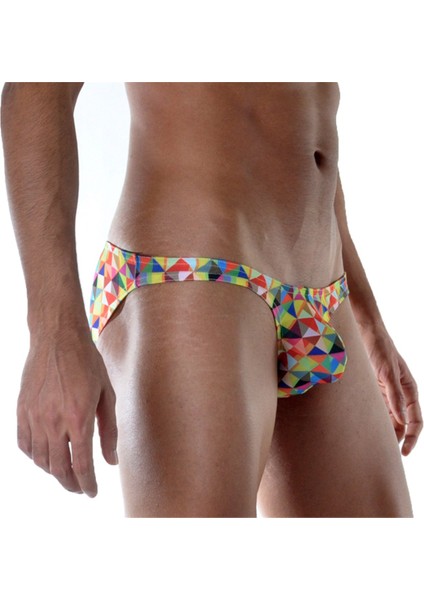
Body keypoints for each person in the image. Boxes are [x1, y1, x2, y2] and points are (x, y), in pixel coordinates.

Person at [1, 82, 421, 518]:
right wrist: (52, 332)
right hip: (192, 267)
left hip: (323, 291)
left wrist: (368, 320)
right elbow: (36, 87)